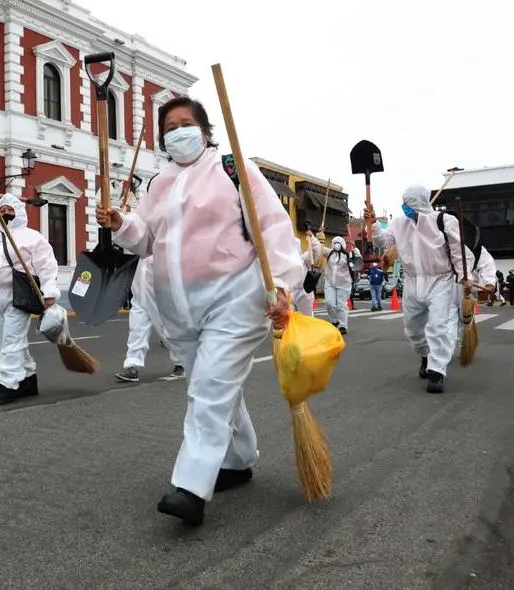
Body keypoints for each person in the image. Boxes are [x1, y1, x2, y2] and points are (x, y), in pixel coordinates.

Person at [96, 96, 301, 526]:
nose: (177, 132)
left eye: (185, 123)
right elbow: (146, 239)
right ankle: (239, 457)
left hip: (236, 296)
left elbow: (273, 226)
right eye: (169, 127)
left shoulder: (232, 168)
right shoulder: (160, 183)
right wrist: (121, 223)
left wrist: (281, 283)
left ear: (205, 130)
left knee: (208, 387)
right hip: (178, 309)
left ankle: (190, 486)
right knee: (215, 383)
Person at [366, 184, 474, 394]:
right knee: (413, 329)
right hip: (413, 282)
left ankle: (436, 371)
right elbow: (382, 241)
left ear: (417, 203)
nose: (404, 206)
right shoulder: (399, 224)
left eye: (407, 202)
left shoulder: (443, 222)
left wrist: (465, 276)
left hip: (440, 281)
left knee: (437, 327)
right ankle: (425, 355)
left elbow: (459, 252)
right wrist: (374, 224)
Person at [0, 192, 60, 404]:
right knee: (5, 342)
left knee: (11, 341)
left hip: (19, 297)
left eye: (10, 209)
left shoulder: (32, 237)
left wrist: (49, 292)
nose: (5, 213)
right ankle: (28, 378)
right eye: (2, 209)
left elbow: (47, 266)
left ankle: (9, 383)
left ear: (20, 212)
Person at [115, 256, 184, 382]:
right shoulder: (141, 243)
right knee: (136, 330)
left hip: (161, 293)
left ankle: (182, 362)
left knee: (167, 330)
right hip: (140, 291)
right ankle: (132, 366)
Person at [322, 235, 352, 333]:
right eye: (335, 242)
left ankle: (343, 325)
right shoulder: (329, 253)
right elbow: (318, 247)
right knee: (329, 303)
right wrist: (317, 236)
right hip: (330, 283)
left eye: (338, 243)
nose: (336, 245)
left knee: (341, 305)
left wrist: (355, 253)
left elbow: (357, 264)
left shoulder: (347, 255)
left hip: (343, 284)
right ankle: (334, 321)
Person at [292, 229, 323, 317]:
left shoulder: (304, 259)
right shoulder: (282, 263)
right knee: (289, 321)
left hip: (304, 293)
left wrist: (312, 238)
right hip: (288, 295)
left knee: (306, 320)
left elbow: (315, 251)